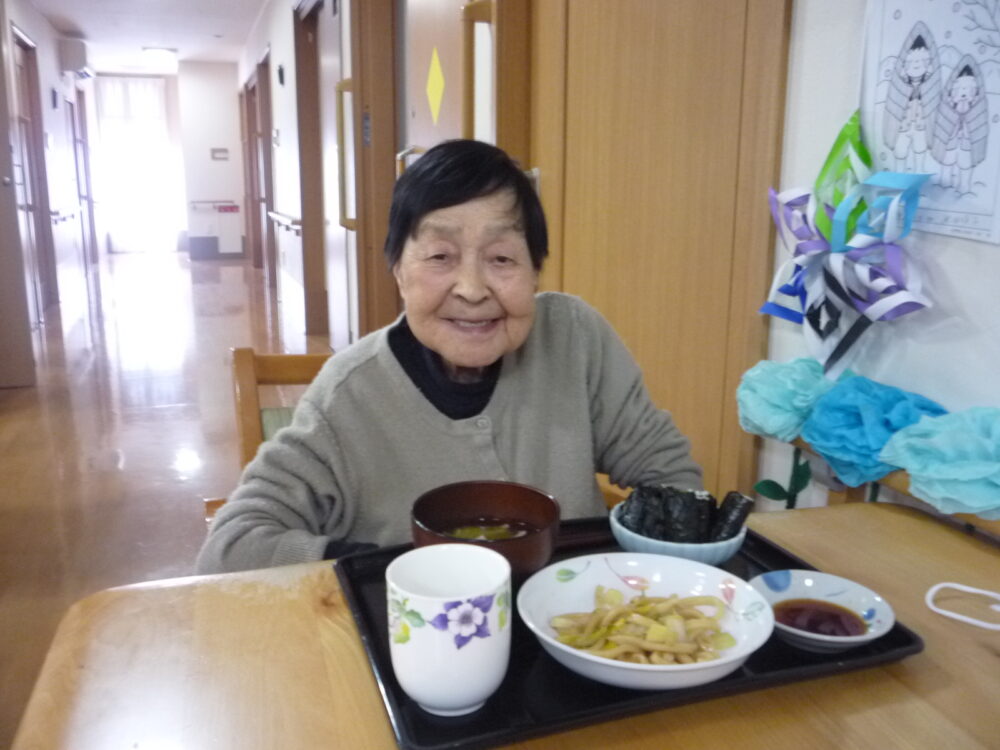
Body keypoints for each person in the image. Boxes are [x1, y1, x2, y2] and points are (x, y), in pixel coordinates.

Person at [196, 139, 702, 574]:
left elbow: (670, 475)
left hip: (570, 633)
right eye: (440, 257)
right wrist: (392, 574)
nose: (472, 289)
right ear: (398, 269)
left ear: (535, 272)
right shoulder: (349, 394)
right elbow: (231, 547)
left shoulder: (574, 337)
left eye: (502, 259)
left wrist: (629, 580)